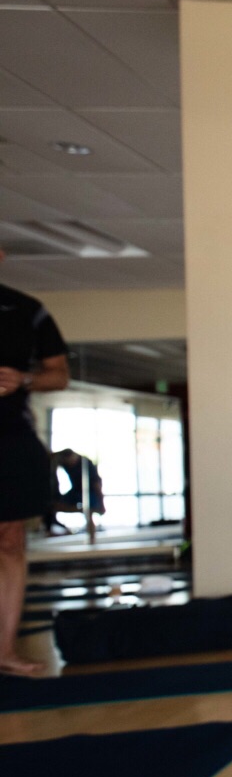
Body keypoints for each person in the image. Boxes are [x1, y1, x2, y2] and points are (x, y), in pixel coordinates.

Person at [0, 253, 71, 676]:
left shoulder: (27, 310)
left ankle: (4, 650)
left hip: (10, 439)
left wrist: (23, 379)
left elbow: (58, 375)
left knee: (10, 542)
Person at [44, 448, 104, 539]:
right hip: (75, 491)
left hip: (90, 492)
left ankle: (92, 537)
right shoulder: (64, 460)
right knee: (54, 505)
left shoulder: (86, 464)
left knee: (90, 511)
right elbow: (53, 455)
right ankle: (53, 529)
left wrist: (101, 503)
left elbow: (97, 484)